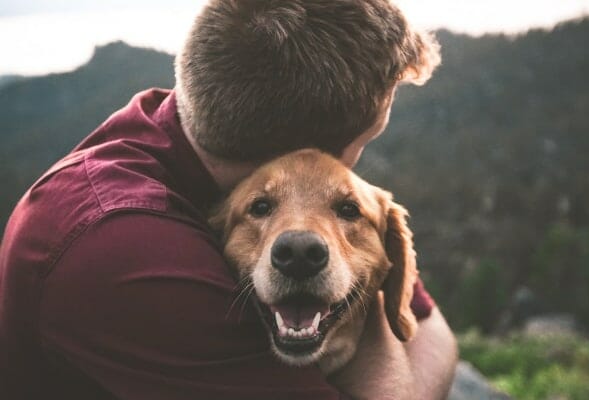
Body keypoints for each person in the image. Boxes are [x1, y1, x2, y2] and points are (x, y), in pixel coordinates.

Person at [0, 0, 457, 399]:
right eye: (368, 137)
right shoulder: (125, 249)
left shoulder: (189, 128)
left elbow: (431, 327)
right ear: (305, 150)